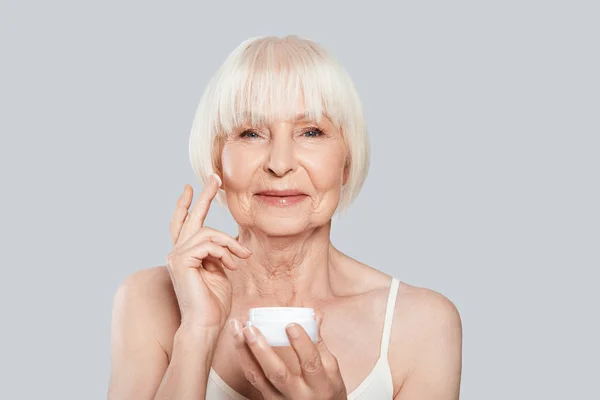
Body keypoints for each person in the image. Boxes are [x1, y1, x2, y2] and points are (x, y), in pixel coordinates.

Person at [108, 35, 462, 400]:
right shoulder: (146, 300)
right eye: (251, 132)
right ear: (218, 162)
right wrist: (197, 331)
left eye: (311, 132)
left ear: (346, 161)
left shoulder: (421, 324)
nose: (280, 164)